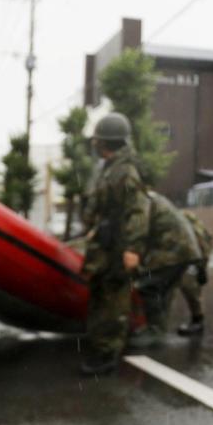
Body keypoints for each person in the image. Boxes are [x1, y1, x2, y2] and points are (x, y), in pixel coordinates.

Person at [78, 113, 150, 375]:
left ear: (106, 142)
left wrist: (133, 248)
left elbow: (138, 211)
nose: (95, 144)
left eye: (98, 140)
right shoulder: (109, 169)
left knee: (114, 302)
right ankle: (99, 347)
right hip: (104, 245)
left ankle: (108, 355)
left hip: (118, 246)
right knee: (100, 295)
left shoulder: (126, 171)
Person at [128, 190, 205, 348]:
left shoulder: (141, 200)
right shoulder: (151, 198)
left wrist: (132, 251)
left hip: (173, 250)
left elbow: (140, 231)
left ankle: (155, 331)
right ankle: (157, 330)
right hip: (179, 250)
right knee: (164, 290)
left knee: (148, 286)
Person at [174, 209, 213, 336]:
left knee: (189, 284)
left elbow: (203, 244)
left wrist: (201, 266)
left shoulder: (190, 225)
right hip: (184, 257)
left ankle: (197, 320)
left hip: (194, 258)